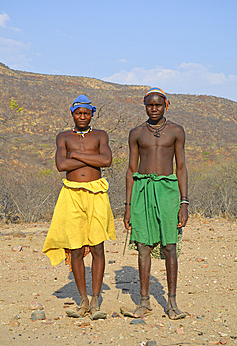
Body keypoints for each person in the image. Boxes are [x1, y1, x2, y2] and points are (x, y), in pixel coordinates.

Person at [43, 94, 116, 320]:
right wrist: (90, 157)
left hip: (96, 193)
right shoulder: (63, 137)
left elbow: (106, 161)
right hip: (71, 193)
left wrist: (76, 154)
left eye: (86, 113)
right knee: (75, 248)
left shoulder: (100, 135)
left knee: (97, 247)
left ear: (92, 113)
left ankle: (96, 300)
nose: (82, 116)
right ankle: (82, 299)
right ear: (72, 114)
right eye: (78, 113)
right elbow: (61, 165)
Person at [124, 87, 188, 320]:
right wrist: (128, 206)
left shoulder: (176, 131)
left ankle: (172, 303)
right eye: (150, 105)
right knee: (143, 246)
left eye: (158, 105)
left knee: (170, 246)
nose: (154, 109)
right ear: (145, 106)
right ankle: (144, 302)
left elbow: (180, 168)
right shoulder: (137, 133)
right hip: (142, 189)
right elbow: (131, 169)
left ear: (166, 105)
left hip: (168, 190)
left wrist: (184, 202)